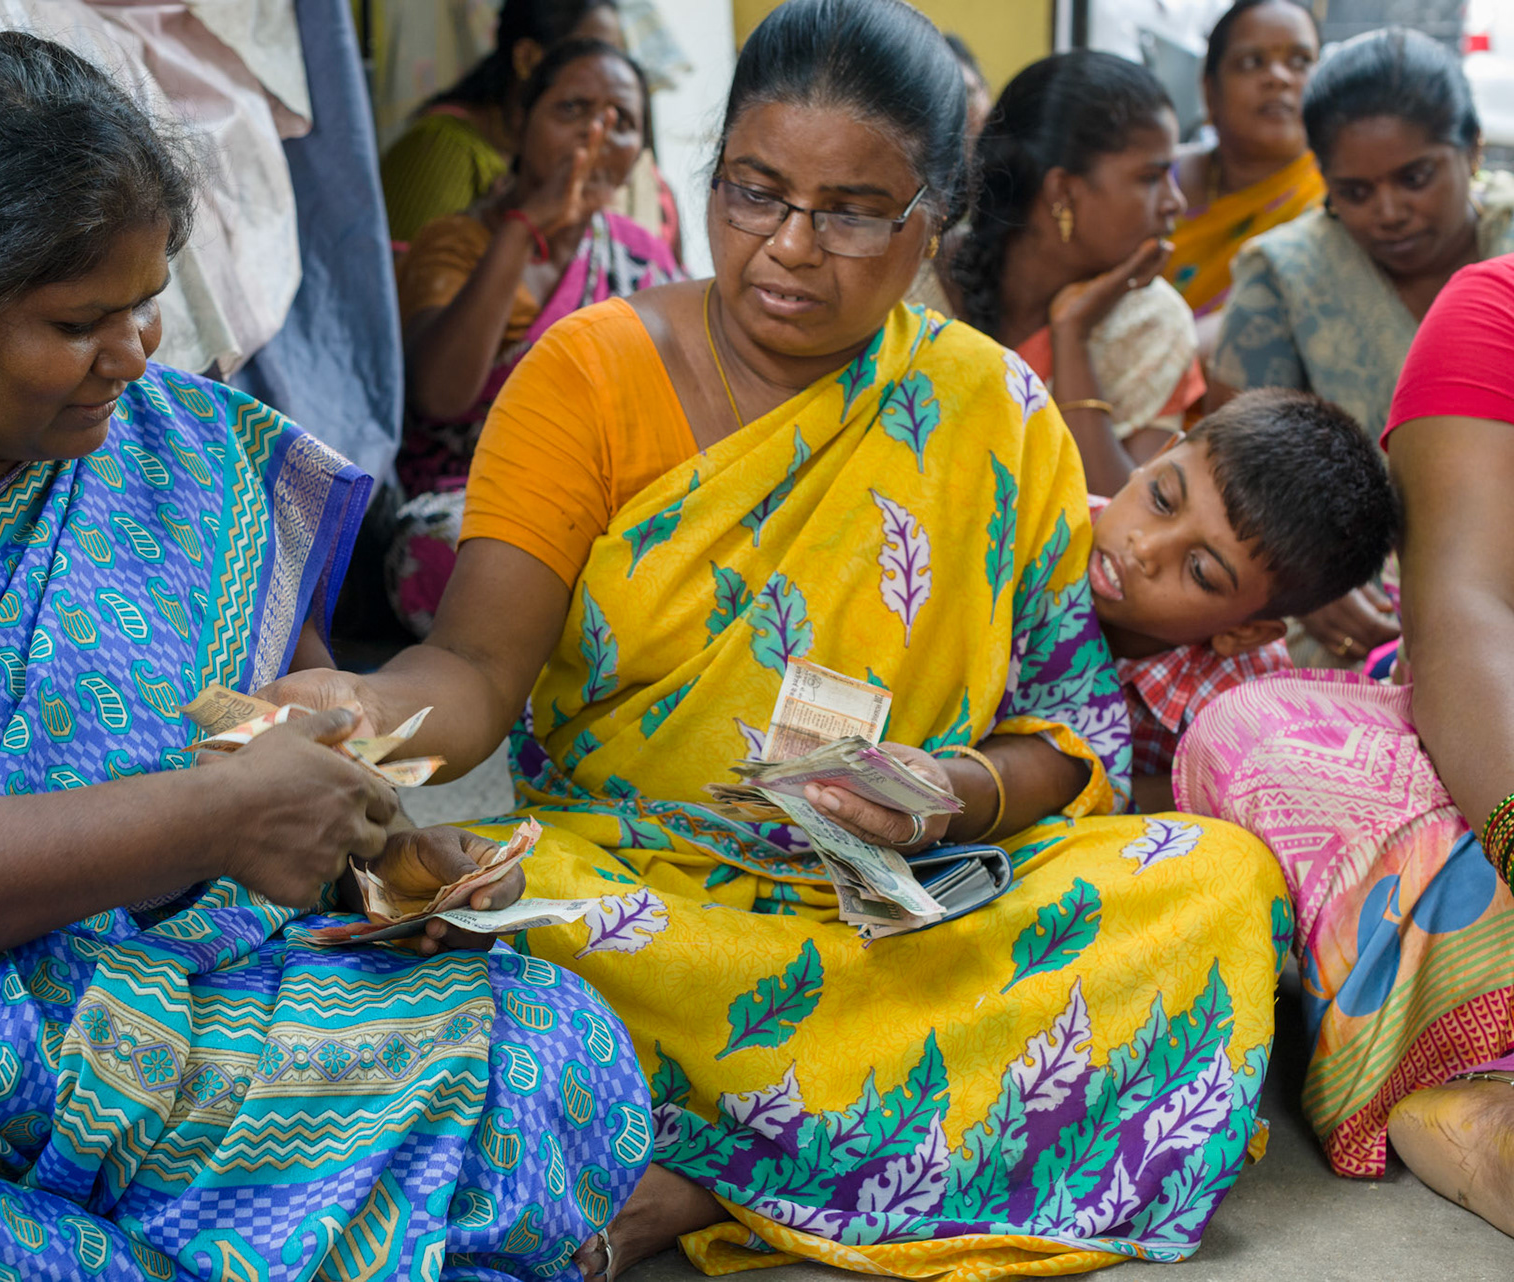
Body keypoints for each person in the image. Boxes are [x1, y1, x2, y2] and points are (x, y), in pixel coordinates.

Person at [0, 33, 649, 1277]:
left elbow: (286, 764)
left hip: (199, 1013)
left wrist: (379, 843)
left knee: (552, 1041)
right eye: (77, 321)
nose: (138, 352)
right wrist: (201, 820)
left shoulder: (185, 450)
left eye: (149, 300)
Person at [269, 1, 1289, 1274]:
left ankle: (706, 1170)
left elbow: (1068, 736)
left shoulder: (993, 407)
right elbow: (474, 666)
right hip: (631, 896)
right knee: (426, 913)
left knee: (1217, 884)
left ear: (938, 216)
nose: (789, 249)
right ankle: (837, 1140)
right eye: (753, 191)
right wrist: (358, 717)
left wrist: (951, 793)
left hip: (896, 908)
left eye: (856, 210)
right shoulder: (588, 372)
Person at [1178, 253, 1514, 1233]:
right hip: (1489, 738)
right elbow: (1469, 610)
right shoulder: (1494, 310)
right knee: (1257, 738)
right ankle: (1473, 1105)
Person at [1211, 27, 1514, 666]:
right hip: (1343, 615)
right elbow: (1231, 476)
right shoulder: (1283, 274)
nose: (1389, 210)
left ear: (1474, 149)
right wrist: (1305, 584)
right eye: (1353, 191)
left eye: (1415, 177)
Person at [389, 38, 684, 635]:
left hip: (602, 502)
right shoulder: (460, 242)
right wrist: (522, 234)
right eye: (572, 109)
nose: (594, 135)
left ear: (639, 153)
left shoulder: (640, 256)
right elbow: (440, 397)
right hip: (471, 497)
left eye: (621, 122)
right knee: (448, 552)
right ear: (522, 122)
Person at [1090, 389, 1396, 812]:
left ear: (1244, 632)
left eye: (1200, 571)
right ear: (1162, 453)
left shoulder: (1241, 715)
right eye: (1161, 499)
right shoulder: (1027, 523)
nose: (1144, 549)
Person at [922, 50, 1200, 497]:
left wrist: (1072, 335)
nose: (1175, 202)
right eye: (1151, 178)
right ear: (1063, 191)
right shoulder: (918, 277)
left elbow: (1122, 514)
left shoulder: (1154, 320)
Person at [379, 0, 676, 256]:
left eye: (616, 57)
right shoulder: (440, 151)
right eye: (588, 53)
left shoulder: (631, 173)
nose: (610, 73)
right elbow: (403, 297)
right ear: (527, 59)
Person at [1163, 0, 1324, 339]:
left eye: (1300, 61)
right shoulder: (1154, 178)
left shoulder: (1338, 202)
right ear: (1210, 91)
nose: (1278, 78)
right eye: (1251, 62)